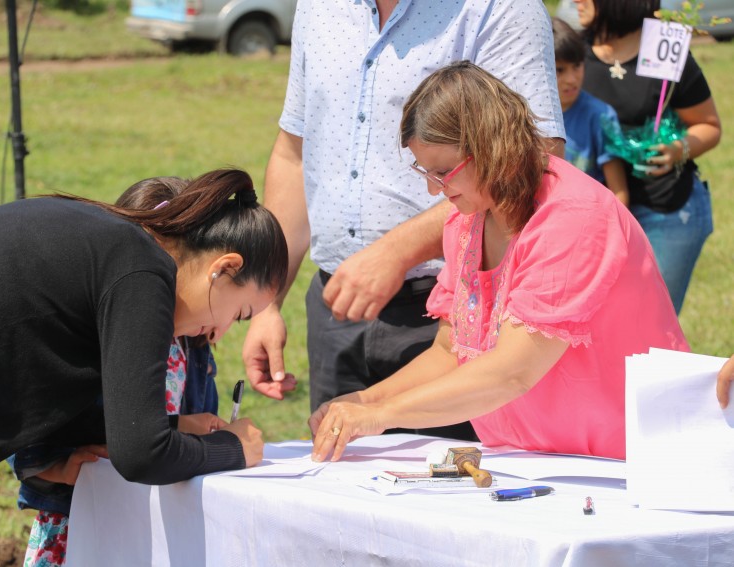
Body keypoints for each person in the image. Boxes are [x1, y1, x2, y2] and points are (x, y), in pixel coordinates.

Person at [0, 168, 288, 564]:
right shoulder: (143, 273)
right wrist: (234, 448)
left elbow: (57, 399)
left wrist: (173, 425)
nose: (221, 330)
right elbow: (142, 456)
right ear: (224, 268)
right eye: (240, 313)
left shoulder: (116, 246)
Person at [308, 61, 688, 463]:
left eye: (443, 172)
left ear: (492, 149)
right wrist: (364, 401)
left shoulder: (573, 216)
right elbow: (451, 351)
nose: (434, 190)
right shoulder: (468, 219)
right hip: (535, 461)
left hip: (626, 461)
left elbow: (513, 372)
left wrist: (380, 415)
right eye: (426, 172)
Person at [242, 0, 566, 443]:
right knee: (338, 479)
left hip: (451, 310)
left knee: (452, 480)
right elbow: (294, 153)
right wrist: (266, 300)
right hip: (336, 305)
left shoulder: (501, 8)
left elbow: (531, 162)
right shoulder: (318, 7)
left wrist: (396, 252)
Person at [9, 177, 222, 567]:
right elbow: (28, 427)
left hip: (162, 526)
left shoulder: (194, 343)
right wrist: (57, 468)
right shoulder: (95, 331)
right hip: (83, 523)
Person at [574, 0, 722, 314]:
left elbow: (709, 126)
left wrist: (677, 150)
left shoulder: (665, 46)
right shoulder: (571, 52)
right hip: (592, 219)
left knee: (651, 322)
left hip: (665, 211)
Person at [552, 16, 629, 205]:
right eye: (559, 70)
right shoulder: (524, 116)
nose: (571, 79)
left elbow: (619, 193)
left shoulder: (601, 116)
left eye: (577, 66)